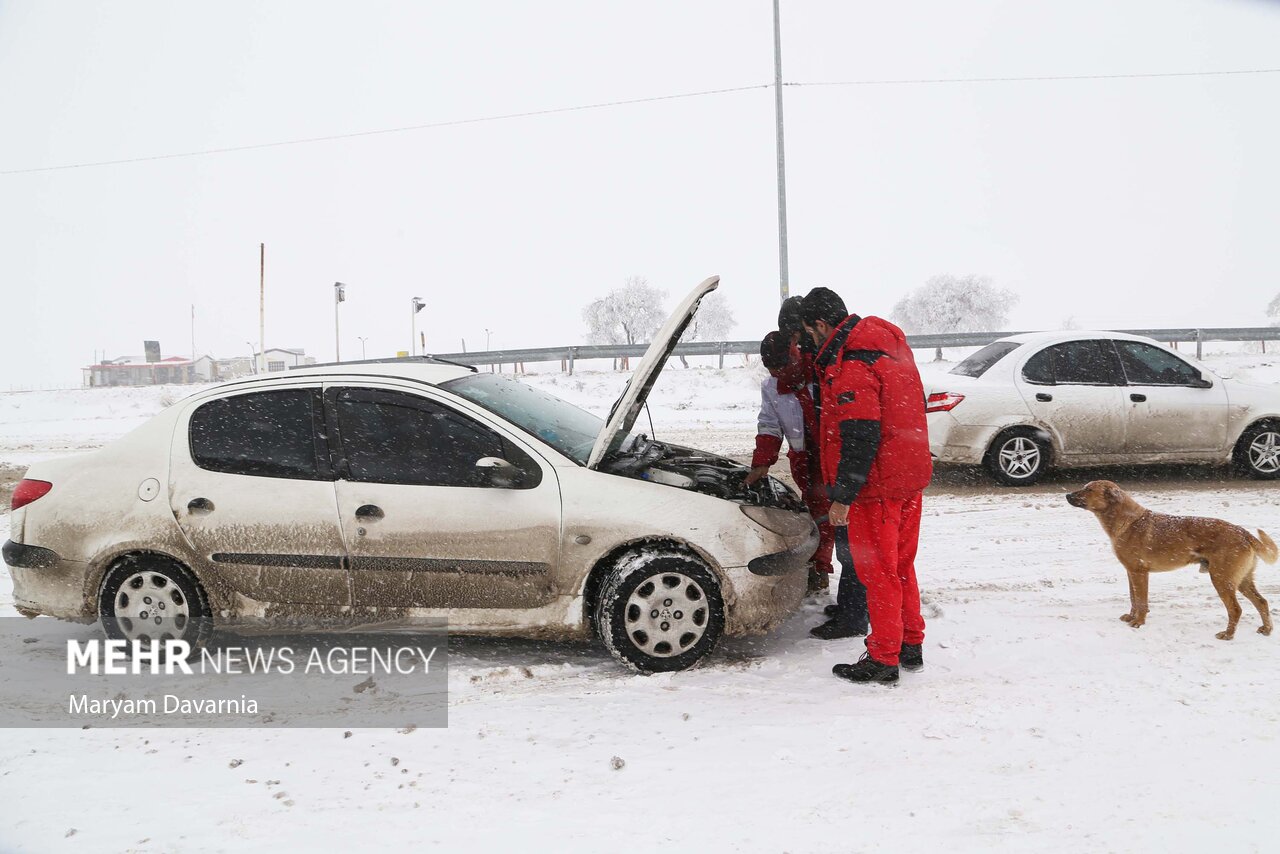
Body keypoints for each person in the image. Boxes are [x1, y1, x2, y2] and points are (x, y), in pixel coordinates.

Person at [800, 286, 932, 685]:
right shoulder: (888, 349)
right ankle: (910, 644)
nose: (809, 341)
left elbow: (859, 435)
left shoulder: (852, 363)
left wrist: (843, 496)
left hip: (877, 487)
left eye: (809, 333)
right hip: (908, 478)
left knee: (878, 574)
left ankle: (883, 657)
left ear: (822, 325)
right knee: (902, 568)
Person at [744, 331, 834, 593]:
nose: (776, 373)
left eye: (781, 367)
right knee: (815, 517)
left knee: (833, 518)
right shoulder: (771, 387)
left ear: (795, 353)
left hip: (830, 458)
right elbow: (770, 425)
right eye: (771, 369)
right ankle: (817, 567)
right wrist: (762, 462)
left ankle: (828, 568)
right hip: (804, 460)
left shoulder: (821, 375)